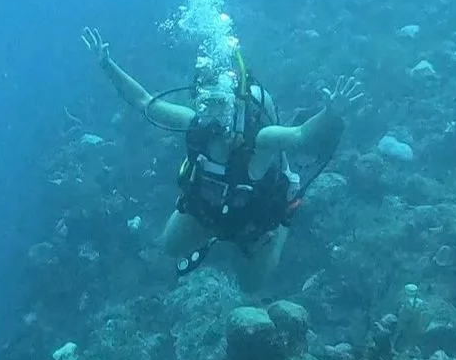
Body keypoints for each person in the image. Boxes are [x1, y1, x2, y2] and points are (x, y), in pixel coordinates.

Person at [83, 29, 362, 287]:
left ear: (234, 105)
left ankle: (281, 229)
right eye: (207, 104)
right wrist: (107, 65)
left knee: (250, 287)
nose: (214, 114)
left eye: (221, 104)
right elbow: (144, 101)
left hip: (253, 222)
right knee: (168, 246)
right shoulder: (195, 125)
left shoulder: (260, 140)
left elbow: (301, 135)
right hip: (206, 210)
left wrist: (331, 113)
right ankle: (215, 239)